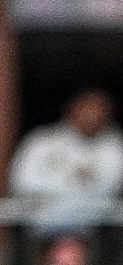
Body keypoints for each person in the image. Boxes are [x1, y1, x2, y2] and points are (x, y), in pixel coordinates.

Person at [9, 88, 123, 230]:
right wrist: (69, 191)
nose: (92, 116)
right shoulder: (42, 141)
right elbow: (24, 183)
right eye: (87, 108)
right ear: (72, 109)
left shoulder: (115, 148)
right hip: (41, 225)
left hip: (96, 228)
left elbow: (108, 188)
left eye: (99, 110)